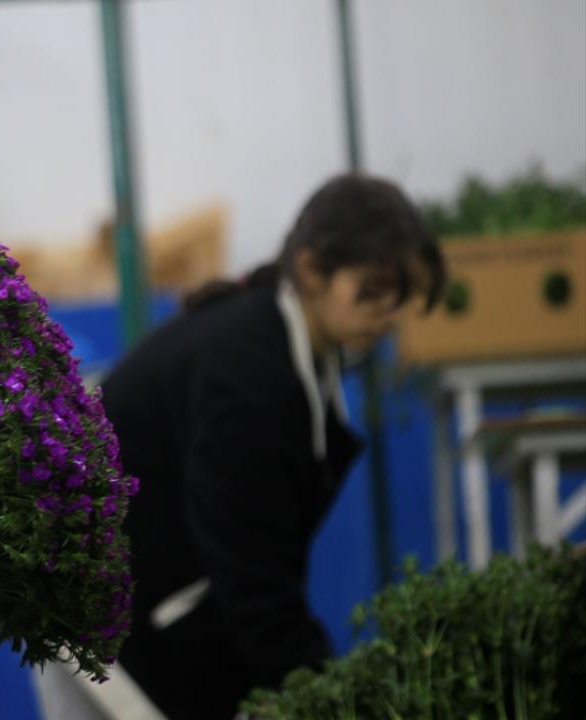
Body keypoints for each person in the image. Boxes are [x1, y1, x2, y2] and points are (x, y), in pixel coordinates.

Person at [101, 174, 445, 719]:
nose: (391, 313)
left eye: (402, 295)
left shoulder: (280, 344)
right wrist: (336, 699)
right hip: (121, 641)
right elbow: (252, 576)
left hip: (162, 618)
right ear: (311, 270)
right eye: (376, 289)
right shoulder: (250, 373)